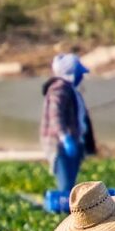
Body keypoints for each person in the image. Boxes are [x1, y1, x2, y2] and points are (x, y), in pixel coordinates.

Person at [41, 53, 97, 193]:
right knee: (66, 186)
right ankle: (65, 212)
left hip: (73, 141)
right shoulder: (59, 88)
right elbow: (55, 115)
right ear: (72, 73)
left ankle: (71, 209)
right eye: (79, 73)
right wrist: (65, 137)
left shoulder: (70, 90)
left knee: (71, 184)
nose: (81, 76)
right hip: (60, 144)